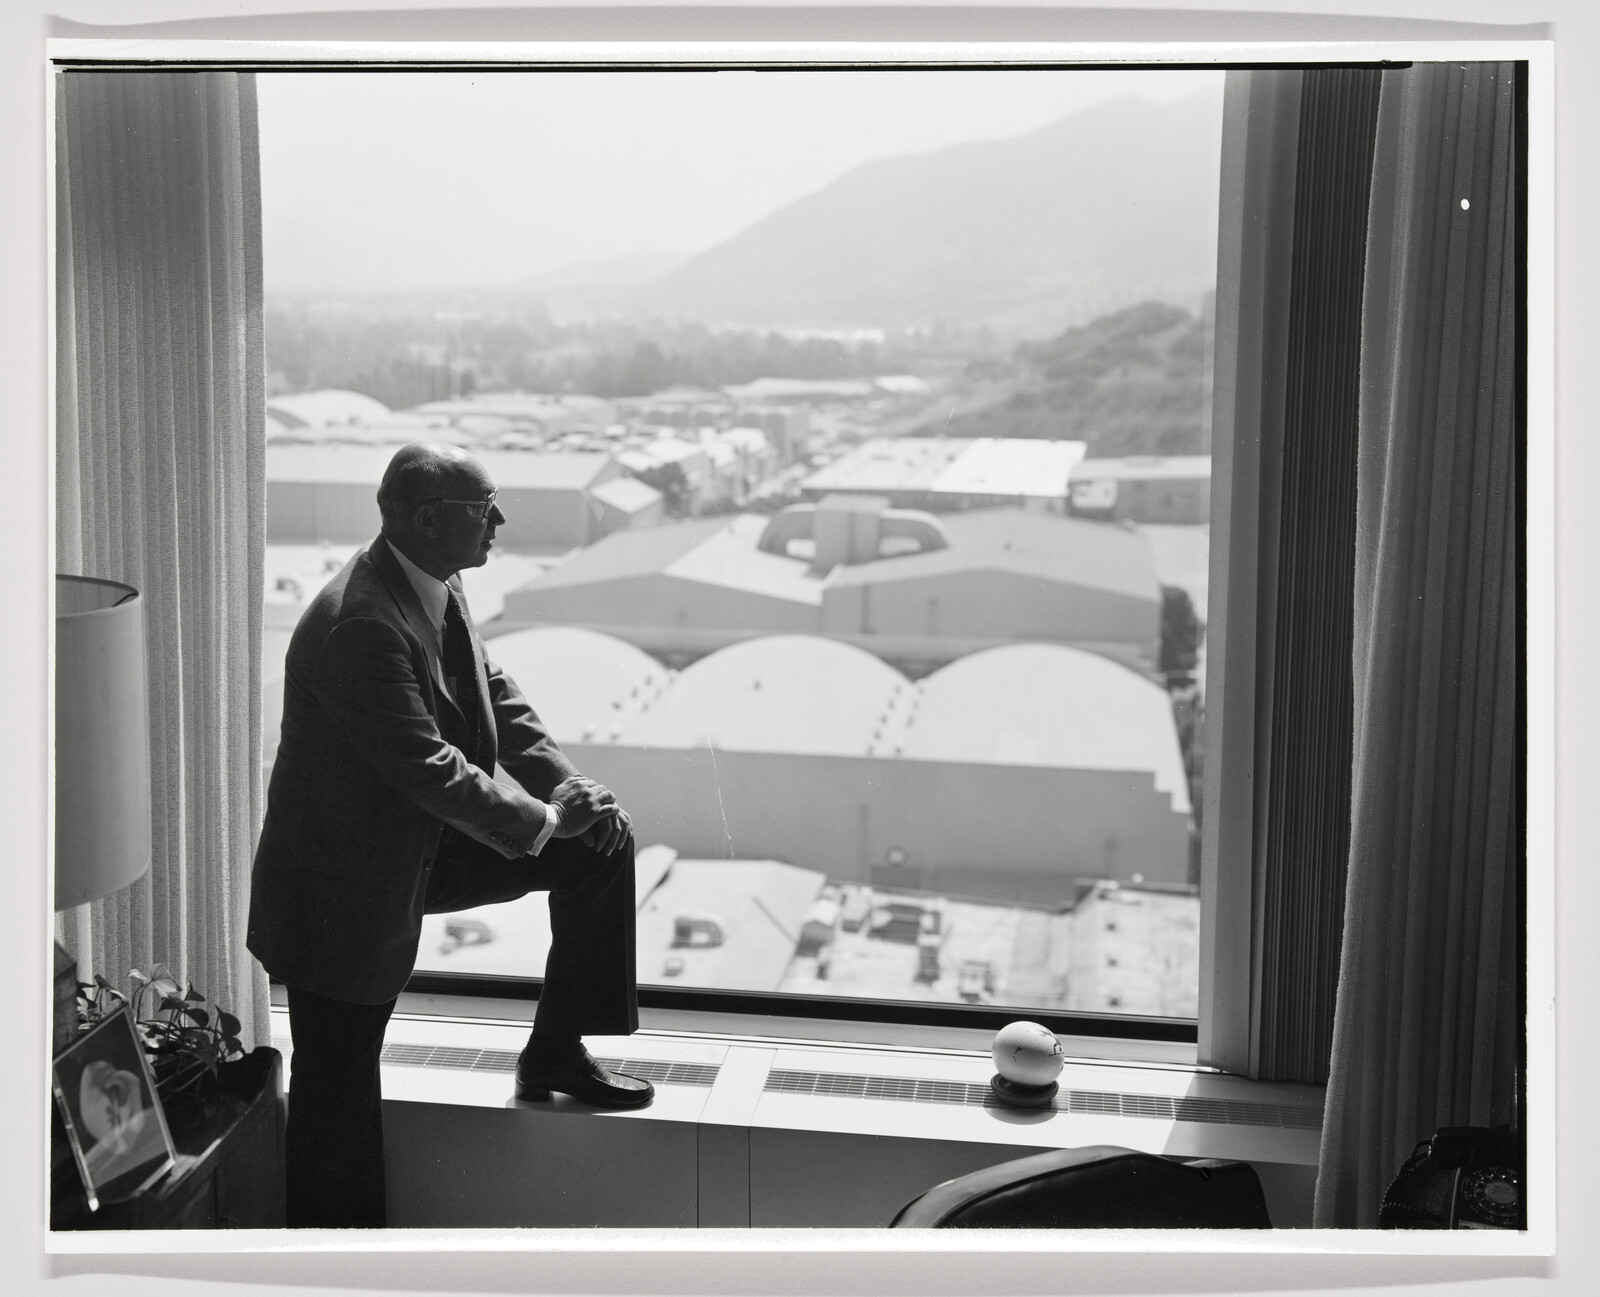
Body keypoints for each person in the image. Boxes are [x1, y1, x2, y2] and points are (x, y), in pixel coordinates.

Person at [247, 442, 652, 1229]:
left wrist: (567, 791)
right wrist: (540, 820)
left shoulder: (436, 580)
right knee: (338, 1098)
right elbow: (429, 766)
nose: (500, 520)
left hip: (415, 848)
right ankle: (336, 1265)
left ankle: (555, 1050)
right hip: (341, 891)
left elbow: (495, 693)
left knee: (601, 844)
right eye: (485, 507)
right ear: (429, 518)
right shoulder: (358, 624)